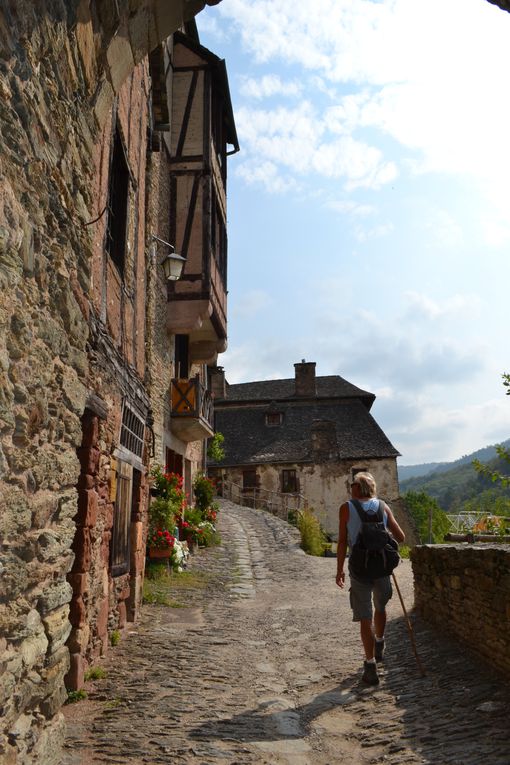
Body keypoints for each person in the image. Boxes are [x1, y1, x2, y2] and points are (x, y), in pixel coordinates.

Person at [336, 472, 405, 685]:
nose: (350, 487)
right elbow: (401, 537)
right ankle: (380, 642)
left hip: (359, 569)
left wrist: (339, 570)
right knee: (381, 607)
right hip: (382, 568)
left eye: (352, 484)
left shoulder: (346, 508)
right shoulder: (383, 507)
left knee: (365, 617)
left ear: (358, 488)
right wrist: (380, 539)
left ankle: (370, 665)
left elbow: (341, 541)